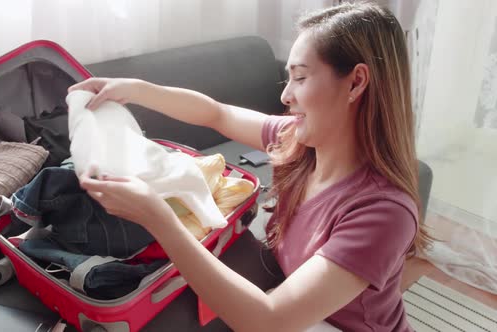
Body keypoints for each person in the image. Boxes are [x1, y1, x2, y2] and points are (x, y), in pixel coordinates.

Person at [71, 2, 432, 331]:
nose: (285, 95)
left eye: (301, 77)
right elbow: (218, 113)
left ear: (355, 82)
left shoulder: (385, 212)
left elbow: (268, 321)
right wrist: (135, 90)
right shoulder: (297, 141)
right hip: (291, 302)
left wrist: (157, 217)